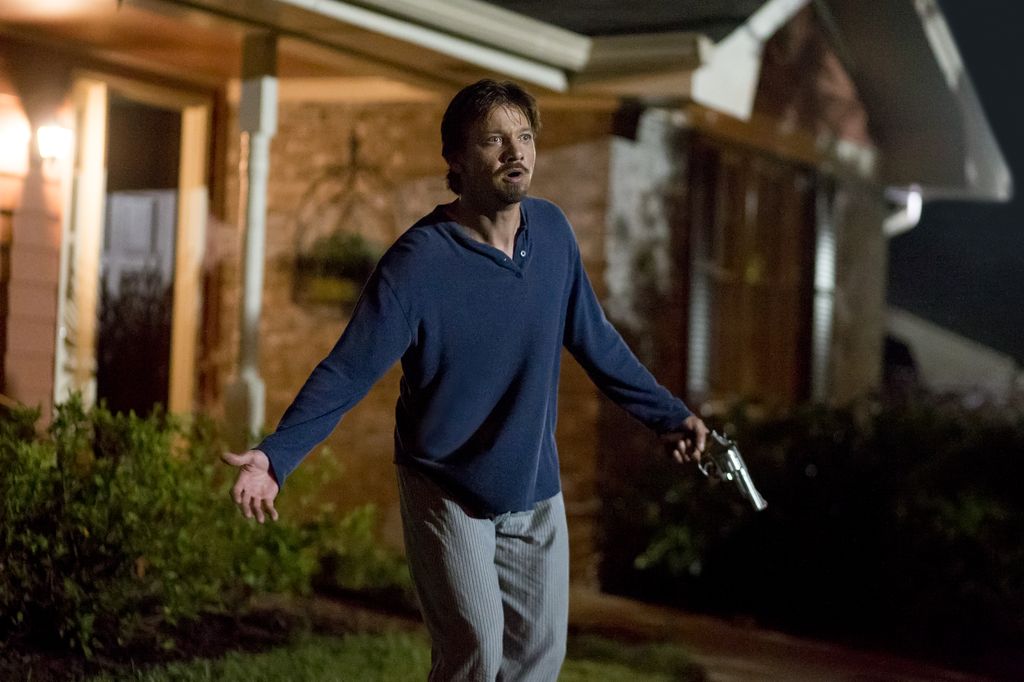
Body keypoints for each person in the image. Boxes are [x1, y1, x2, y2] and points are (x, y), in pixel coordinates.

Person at [223, 78, 708, 681]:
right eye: (494, 140)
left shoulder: (553, 234)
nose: (516, 152)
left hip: (533, 486)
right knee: (474, 652)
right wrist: (276, 457)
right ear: (456, 159)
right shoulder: (418, 263)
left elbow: (596, 339)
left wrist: (668, 415)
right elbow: (347, 369)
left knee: (538, 660)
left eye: (524, 136)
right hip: (446, 487)